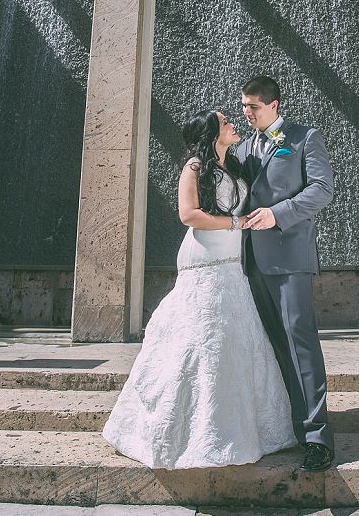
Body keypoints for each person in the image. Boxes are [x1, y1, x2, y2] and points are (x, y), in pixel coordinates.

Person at [102, 110, 296, 469]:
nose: (233, 124)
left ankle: (239, 430)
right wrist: (237, 222)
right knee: (201, 338)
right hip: (203, 258)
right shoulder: (194, 167)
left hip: (232, 263)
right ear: (211, 134)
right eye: (225, 122)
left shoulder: (234, 168)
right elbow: (188, 214)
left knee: (233, 339)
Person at [236, 75, 337, 473]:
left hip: (289, 258)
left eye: (254, 107)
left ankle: (317, 437)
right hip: (250, 264)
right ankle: (282, 427)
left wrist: (277, 214)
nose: (247, 114)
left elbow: (322, 189)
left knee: (301, 345)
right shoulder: (242, 147)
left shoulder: (304, 138)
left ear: (274, 106)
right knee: (272, 347)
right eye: (244, 106)